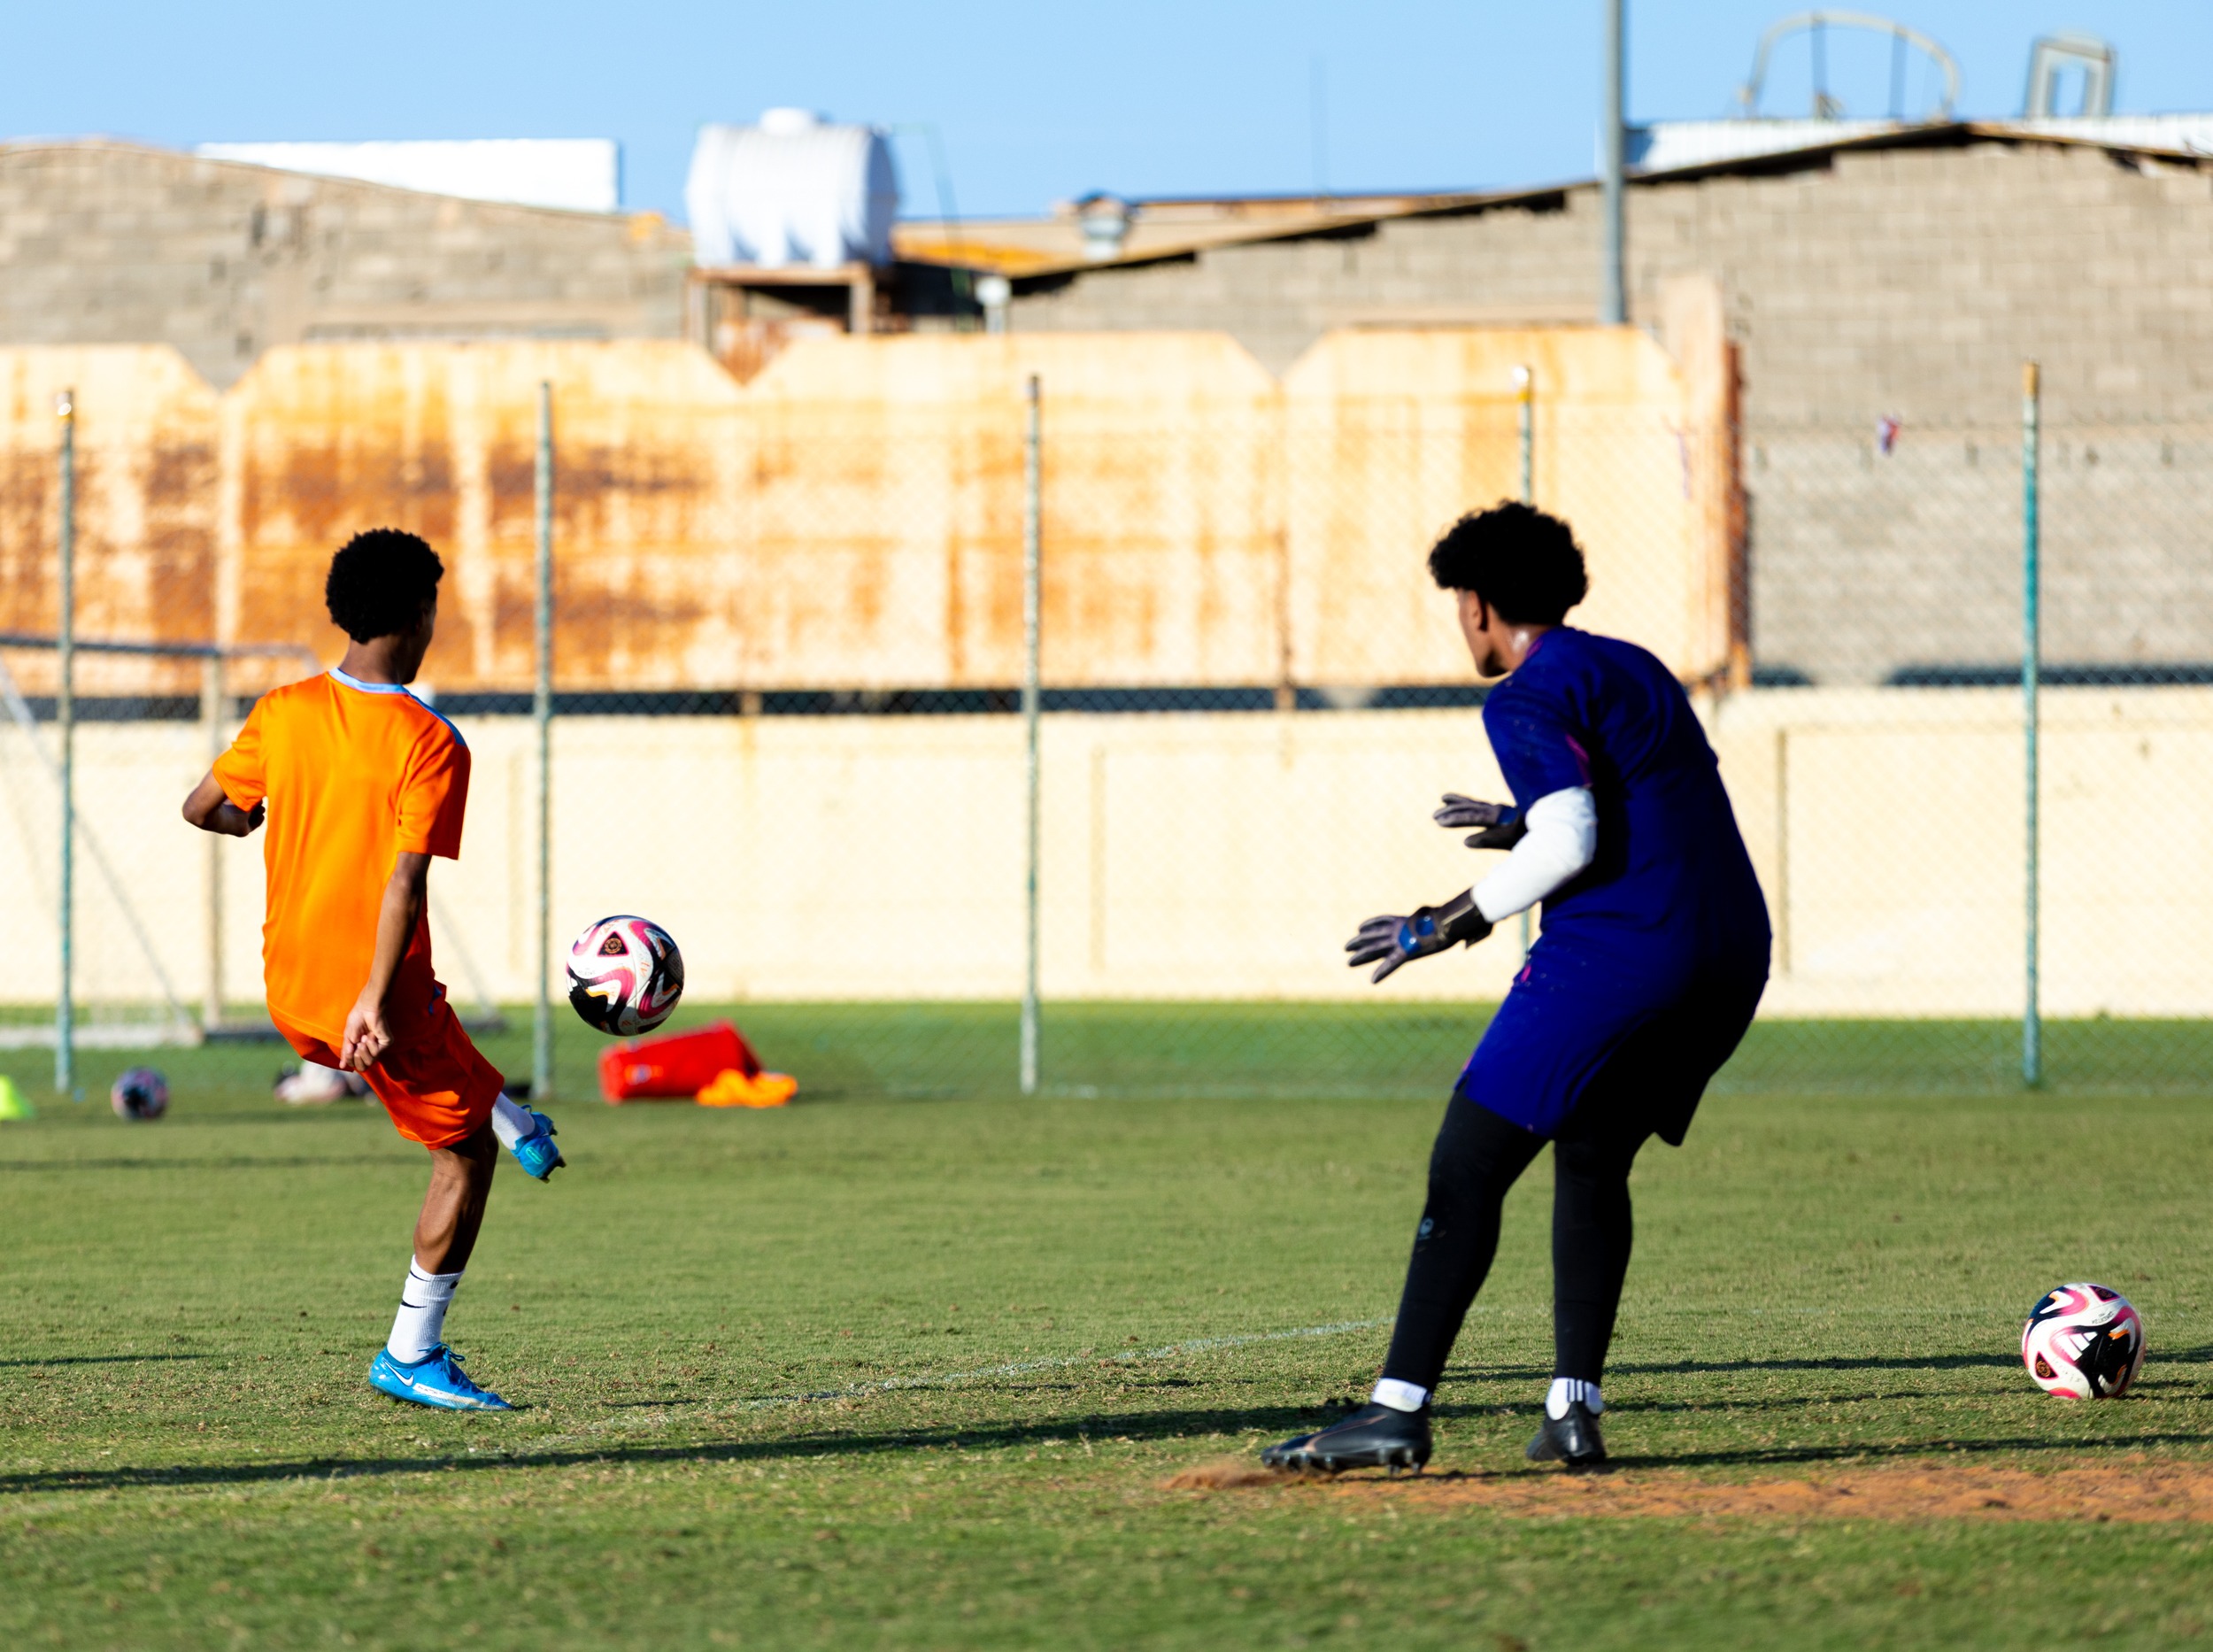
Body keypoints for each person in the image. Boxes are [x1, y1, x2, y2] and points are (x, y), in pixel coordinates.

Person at [1263, 502, 1770, 1472]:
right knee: (1589, 1155)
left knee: (1467, 1165)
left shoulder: (1525, 693)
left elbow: (1574, 839)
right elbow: (1645, 800)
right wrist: (1517, 817)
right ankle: (1572, 1407)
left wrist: (1442, 923)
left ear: (1483, 605)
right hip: (1729, 953)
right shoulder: (1633, 664)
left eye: (1461, 601)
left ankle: (1394, 1412)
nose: (1462, 619)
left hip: (1622, 952)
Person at [181, 529, 565, 1412]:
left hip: (290, 987)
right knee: (461, 1157)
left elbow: (205, 806)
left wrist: (256, 821)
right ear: (420, 614)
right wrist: (370, 1001)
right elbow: (404, 883)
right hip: (367, 998)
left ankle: (509, 1111)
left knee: (429, 1007)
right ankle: (411, 1351)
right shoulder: (429, 741)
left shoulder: (283, 710)